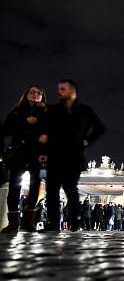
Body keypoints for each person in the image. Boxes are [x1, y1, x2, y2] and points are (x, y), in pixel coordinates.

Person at [40, 79, 106, 231]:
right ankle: (53, 223)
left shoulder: (85, 111)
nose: (59, 92)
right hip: (54, 155)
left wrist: (87, 141)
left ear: (72, 91)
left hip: (74, 157)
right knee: (52, 190)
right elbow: (45, 129)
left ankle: (75, 222)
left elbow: (100, 128)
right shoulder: (54, 110)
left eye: (62, 89)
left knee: (70, 189)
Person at [1, 85, 47, 233]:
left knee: (35, 189)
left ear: (42, 96)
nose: (35, 94)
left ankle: (28, 222)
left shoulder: (48, 114)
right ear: (26, 94)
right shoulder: (16, 112)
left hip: (38, 156)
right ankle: (13, 223)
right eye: (32, 92)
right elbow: (4, 131)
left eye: (39, 93)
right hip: (18, 155)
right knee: (14, 188)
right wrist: (24, 122)